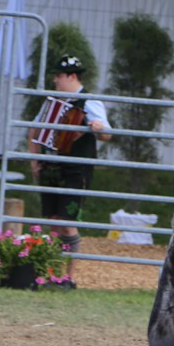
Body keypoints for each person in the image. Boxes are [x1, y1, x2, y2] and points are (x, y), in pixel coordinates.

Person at [27, 55, 112, 286]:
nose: (55, 80)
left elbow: (106, 134)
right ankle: (51, 274)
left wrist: (98, 128)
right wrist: (35, 160)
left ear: (71, 77)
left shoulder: (90, 102)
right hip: (51, 167)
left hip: (76, 169)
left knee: (67, 221)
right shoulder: (51, 102)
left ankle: (68, 277)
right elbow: (34, 131)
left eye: (59, 76)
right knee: (54, 222)